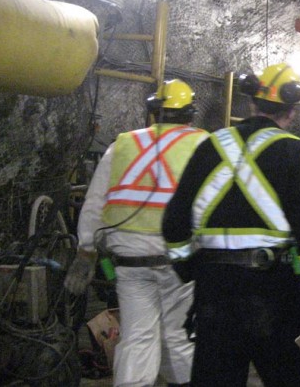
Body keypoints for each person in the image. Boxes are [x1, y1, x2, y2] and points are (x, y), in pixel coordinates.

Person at [161, 63, 300, 387]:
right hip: (275, 293)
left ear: (251, 103)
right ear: (291, 110)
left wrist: (190, 270)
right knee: (290, 378)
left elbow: (174, 223)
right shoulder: (294, 152)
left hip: (214, 292)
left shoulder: (210, 146)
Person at [64, 79, 208, 387]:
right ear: (190, 115)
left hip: (129, 261)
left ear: (154, 112)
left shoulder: (122, 145)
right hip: (179, 261)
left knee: (137, 338)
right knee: (180, 338)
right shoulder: (203, 144)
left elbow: (94, 204)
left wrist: (86, 252)